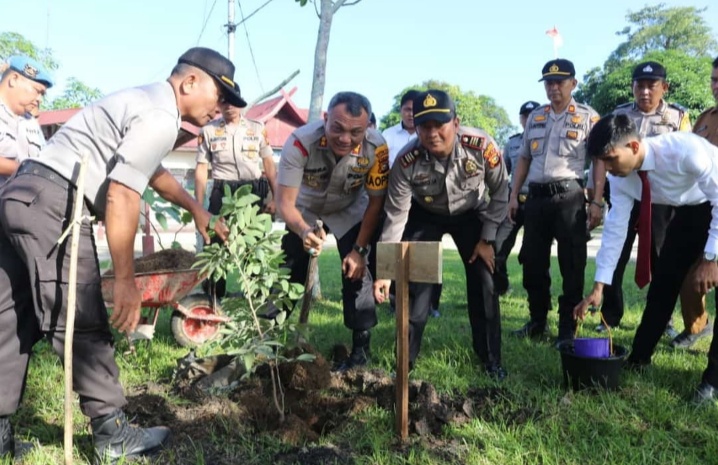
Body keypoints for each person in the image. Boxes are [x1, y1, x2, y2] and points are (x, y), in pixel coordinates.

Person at [0, 47, 235, 462]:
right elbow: (125, 193)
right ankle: (112, 435)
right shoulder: (162, 116)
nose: (219, 110)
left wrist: (197, 209)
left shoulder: (143, 101)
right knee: (84, 318)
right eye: (219, 97)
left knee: (11, 318)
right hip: (56, 203)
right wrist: (125, 281)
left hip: (21, 197)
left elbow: (155, 174)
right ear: (190, 82)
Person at [575, 113, 718, 404]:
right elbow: (615, 230)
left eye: (611, 159)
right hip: (689, 211)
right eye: (603, 162)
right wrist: (599, 286)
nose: (608, 169)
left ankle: (712, 382)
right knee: (663, 285)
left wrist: (711, 258)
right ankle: (639, 358)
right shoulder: (623, 177)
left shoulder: (685, 152)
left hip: (715, 201)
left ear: (634, 147)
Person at [374, 90, 509, 379]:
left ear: (456, 123)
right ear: (417, 128)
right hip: (426, 215)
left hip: (472, 214)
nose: (432, 133)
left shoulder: (481, 146)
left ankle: (490, 358)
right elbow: (396, 214)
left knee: (484, 282)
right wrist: (386, 270)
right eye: (425, 126)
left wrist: (487, 239)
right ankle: (406, 359)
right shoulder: (406, 160)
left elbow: (500, 192)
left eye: (440, 125)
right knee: (415, 286)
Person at [587, 61, 700, 341]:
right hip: (626, 190)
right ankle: (609, 315)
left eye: (652, 85)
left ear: (664, 87)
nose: (645, 91)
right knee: (617, 250)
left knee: (662, 258)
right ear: (632, 87)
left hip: (662, 199)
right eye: (640, 85)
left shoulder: (678, 116)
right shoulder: (620, 115)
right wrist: (597, 198)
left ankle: (665, 317)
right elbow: (603, 161)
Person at [276, 91, 388, 372]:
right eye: (337, 128)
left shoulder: (377, 148)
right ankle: (267, 337)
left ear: (367, 128)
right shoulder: (300, 142)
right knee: (290, 271)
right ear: (325, 119)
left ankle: (360, 353)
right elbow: (284, 203)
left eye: (356, 132)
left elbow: (376, 203)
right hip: (306, 210)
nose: (345, 138)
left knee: (357, 275)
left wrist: (360, 250)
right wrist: (302, 231)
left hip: (351, 211)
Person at [509, 58, 599, 345]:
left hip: (569, 196)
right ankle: (537, 320)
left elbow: (599, 161)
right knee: (532, 262)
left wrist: (596, 200)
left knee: (572, 264)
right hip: (535, 198)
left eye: (560, 82)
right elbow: (523, 157)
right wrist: (514, 195)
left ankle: (567, 328)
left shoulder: (587, 117)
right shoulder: (536, 116)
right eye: (549, 82)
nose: (554, 87)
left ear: (573, 83)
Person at [195, 102, 278, 299]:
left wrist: (276, 197)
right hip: (222, 190)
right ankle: (214, 296)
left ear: (241, 103)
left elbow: (268, 163)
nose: (229, 107)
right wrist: (198, 207)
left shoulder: (257, 128)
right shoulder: (208, 130)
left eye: (233, 102)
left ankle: (257, 297)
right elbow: (201, 169)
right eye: (223, 102)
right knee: (215, 242)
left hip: (253, 190)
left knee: (254, 243)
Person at [382, 89, 441, 317]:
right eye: (407, 109)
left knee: (427, 254)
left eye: (415, 111)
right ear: (401, 111)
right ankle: (396, 300)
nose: (410, 114)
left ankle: (430, 304)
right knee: (396, 248)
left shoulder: (430, 133)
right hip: (397, 201)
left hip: (426, 203)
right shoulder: (387, 135)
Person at [675, 56, 718, 349]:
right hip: (704, 207)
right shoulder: (705, 118)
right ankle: (697, 326)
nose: (716, 86)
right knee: (689, 274)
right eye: (714, 79)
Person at [494, 100, 540, 295]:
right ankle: (500, 287)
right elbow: (503, 173)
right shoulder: (513, 142)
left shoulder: (545, 140)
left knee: (534, 252)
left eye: (533, 115)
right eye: (525, 116)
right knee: (498, 246)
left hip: (536, 201)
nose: (528, 119)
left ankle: (538, 296)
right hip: (513, 201)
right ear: (521, 119)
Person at [0, 55, 53, 185]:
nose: (40, 99)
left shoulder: (31, 122)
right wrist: (29, 170)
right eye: (37, 91)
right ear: (13, 80)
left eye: (42, 94)